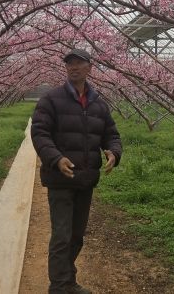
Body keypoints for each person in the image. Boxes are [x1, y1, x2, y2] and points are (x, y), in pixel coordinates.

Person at [31, 48, 122, 294]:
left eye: (79, 63)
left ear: (89, 68)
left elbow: (111, 134)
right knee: (62, 235)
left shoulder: (98, 104)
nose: (73, 67)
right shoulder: (51, 100)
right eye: (69, 63)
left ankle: (68, 281)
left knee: (76, 236)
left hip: (85, 180)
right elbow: (39, 133)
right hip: (61, 179)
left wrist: (114, 153)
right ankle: (59, 286)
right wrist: (56, 158)